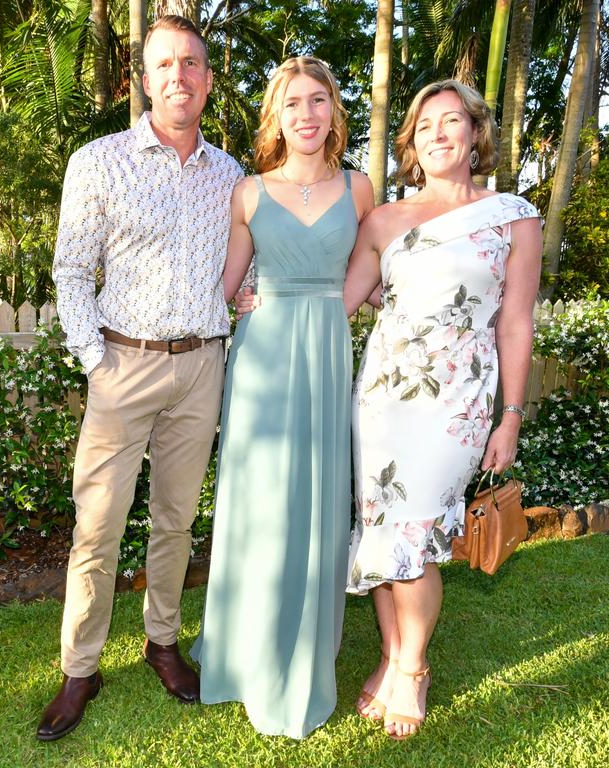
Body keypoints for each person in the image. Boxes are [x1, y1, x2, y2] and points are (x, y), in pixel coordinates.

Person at [37, 15, 243, 742]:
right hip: (122, 364)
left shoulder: (232, 175)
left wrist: (240, 302)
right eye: (164, 64)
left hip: (203, 369)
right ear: (142, 79)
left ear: (208, 79)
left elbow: (241, 271)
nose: (179, 76)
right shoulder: (98, 162)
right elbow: (69, 273)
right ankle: (80, 668)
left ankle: (162, 642)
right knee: (96, 528)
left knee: (176, 520)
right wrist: (98, 360)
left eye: (192, 63)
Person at [341, 79, 542, 740]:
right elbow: (341, 300)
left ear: (475, 134)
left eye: (451, 121)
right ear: (410, 143)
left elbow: (515, 324)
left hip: (456, 404)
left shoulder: (513, 217)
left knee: (417, 536)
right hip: (382, 400)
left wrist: (510, 415)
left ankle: (415, 669)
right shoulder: (384, 221)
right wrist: (264, 294)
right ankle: (391, 657)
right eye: (425, 125)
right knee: (380, 529)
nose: (439, 134)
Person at [190, 56, 374, 738]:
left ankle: (302, 657)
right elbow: (224, 283)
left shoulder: (360, 189)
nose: (306, 114)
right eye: (292, 102)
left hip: (325, 353)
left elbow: (375, 270)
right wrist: (231, 301)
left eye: (318, 100)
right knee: (262, 502)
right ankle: (243, 654)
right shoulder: (248, 192)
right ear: (278, 115)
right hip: (263, 358)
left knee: (318, 501)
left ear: (333, 111)